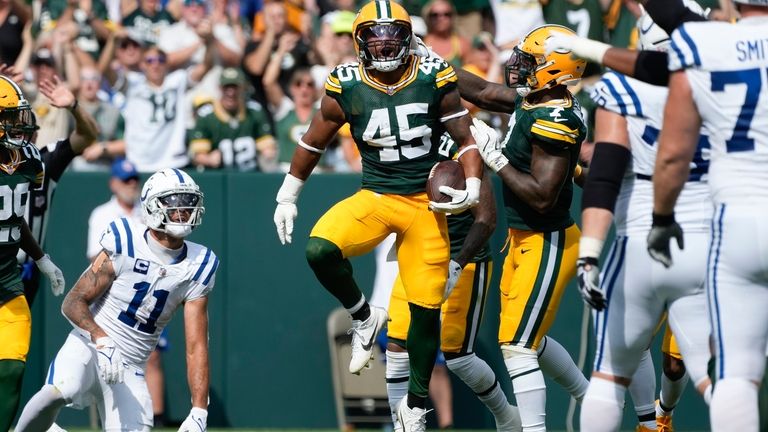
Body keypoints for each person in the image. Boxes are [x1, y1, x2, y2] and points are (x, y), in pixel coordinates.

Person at [272, 1, 484, 430]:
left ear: (409, 38)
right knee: (319, 249)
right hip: (376, 195)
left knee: (427, 310)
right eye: (374, 35)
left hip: (424, 206)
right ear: (358, 39)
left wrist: (475, 185)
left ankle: (416, 405)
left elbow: (464, 138)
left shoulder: (433, 74)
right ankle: (363, 316)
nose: (384, 44)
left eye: (392, 35)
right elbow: (314, 140)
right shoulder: (346, 82)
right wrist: (288, 192)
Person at [574, 8, 713, 432]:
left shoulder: (621, 87)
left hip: (640, 241)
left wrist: (590, 254)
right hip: (707, 241)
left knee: (609, 373)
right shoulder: (719, 81)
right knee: (722, 378)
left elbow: (604, 176)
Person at [15, 168, 216, 431]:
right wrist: (101, 337)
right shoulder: (125, 241)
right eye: (174, 203)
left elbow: (196, 345)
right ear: (153, 206)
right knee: (58, 392)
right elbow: (73, 301)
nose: (183, 211)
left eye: (188, 203)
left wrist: (199, 410)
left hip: (131, 366)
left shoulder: (199, 264)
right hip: (88, 346)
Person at [459, 24, 589, 431]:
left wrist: (496, 159)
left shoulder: (556, 116)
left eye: (530, 60)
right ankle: (591, 396)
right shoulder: (537, 100)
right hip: (522, 238)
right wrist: (425, 61)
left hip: (548, 239)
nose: (519, 66)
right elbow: (480, 91)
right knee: (524, 339)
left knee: (518, 347)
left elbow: (542, 196)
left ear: (553, 69)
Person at [649, 1, 768, 430]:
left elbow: (674, 154)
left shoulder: (708, 43)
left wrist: (661, 219)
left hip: (735, 218)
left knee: (736, 373)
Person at [382, 135, 522, 431]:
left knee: (458, 357)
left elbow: (487, 219)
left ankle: (505, 414)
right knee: (396, 344)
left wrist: (457, 264)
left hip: (464, 256)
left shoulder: (465, 143)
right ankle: (403, 427)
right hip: (419, 256)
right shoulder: (404, 141)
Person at [0, 74, 65, 432]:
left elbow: (11, 217)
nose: (18, 126)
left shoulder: (27, 160)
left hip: (8, 280)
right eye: (9, 118)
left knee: (12, 368)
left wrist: (40, 257)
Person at [122, 41, 214, 172]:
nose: (155, 64)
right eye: (150, 60)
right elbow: (103, 72)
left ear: (167, 63)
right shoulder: (133, 84)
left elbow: (206, 66)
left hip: (173, 162)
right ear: (142, 64)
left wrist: (208, 40)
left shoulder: (177, 80)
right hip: (139, 162)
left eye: (160, 60)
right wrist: (112, 42)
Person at [190, 67, 277, 172]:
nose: (230, 92)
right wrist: (209, 159)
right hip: (218, 177)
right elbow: (197, 155)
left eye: (235, 87)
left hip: (251, 176)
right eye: (226, 87)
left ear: (243, 88)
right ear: (219, 88)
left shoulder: (254, 111)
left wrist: (267, 154)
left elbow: (268, 148)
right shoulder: (207, 116)